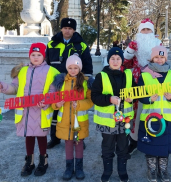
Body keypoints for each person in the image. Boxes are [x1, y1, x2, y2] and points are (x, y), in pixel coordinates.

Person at [0, 43, 59, 177]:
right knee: (28, 135)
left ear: (44, 56)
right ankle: (29, 161)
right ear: (29, 56)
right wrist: (4, 87)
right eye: (33, 55)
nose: (36, 57)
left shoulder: (51, 71)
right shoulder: (23, 71)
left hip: (41, 111)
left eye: (39, 55)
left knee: (41, 137)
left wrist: (46, 101)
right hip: (25, 111)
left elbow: (54, 92)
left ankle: (44, 161)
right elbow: (15, 87)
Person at [45, 17, 93, 149]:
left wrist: (87, 82)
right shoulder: (52, 44)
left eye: (70, 28)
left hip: (76, 83)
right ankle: (55, 138)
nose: (67, 31)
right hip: (56, 83)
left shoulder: (81, 45)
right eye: (65, 28)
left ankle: (79, 138)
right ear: (61, 28)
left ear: (74, 30)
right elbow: (47, 63)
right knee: (56, 111)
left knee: (75, 110)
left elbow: (87, 65)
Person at [135, 46, 171, 182]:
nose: (159, 60)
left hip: (168, 118)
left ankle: (163, 170)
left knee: (165, 146)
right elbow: (139, 95)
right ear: (152, 58)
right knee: (151, 146)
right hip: (150, 117)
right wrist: (149, 99)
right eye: (156, 57)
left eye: (162, 57)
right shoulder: (145, 75)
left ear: (166, 58)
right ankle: (152, 170)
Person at [91, 47, 136, 182]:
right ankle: (107, 171)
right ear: (108, 60)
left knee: (123, 147)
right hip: (108, 121)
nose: (115, 61)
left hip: (125, 120)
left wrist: (131, 97)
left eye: (118, 59)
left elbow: (135, 91)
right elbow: (95, 97)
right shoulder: (101, 76)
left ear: (122, 61)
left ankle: (122, 171)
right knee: (107, 147)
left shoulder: (128, 74)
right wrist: (109, 99)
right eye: (112, 58)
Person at [51, 55, 94, 180]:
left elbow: (91, 101)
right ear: (66, 68)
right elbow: (55, 99)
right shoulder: (61, 81)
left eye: (76, 67)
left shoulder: (86, 82)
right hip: (65, 122)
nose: (73, 70)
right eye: (70, 67)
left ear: (79, 68)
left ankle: (79, 168)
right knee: (68, 144)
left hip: (79, 122)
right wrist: (56, 104)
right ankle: (69, 168)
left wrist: (79, 104)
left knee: (79, 144)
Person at [123, 18, 161, 154]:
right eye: (143, 30)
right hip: (137, 79)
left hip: (154, 79)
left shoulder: (158, 43)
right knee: (137, 111)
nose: (145, 32)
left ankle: (151, 139)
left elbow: (163, 60)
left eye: (148, 29)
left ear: (152, 31)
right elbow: (125, 61)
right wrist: (129, 50)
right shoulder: (135, 44)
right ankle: (133, 140)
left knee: (152, 109)